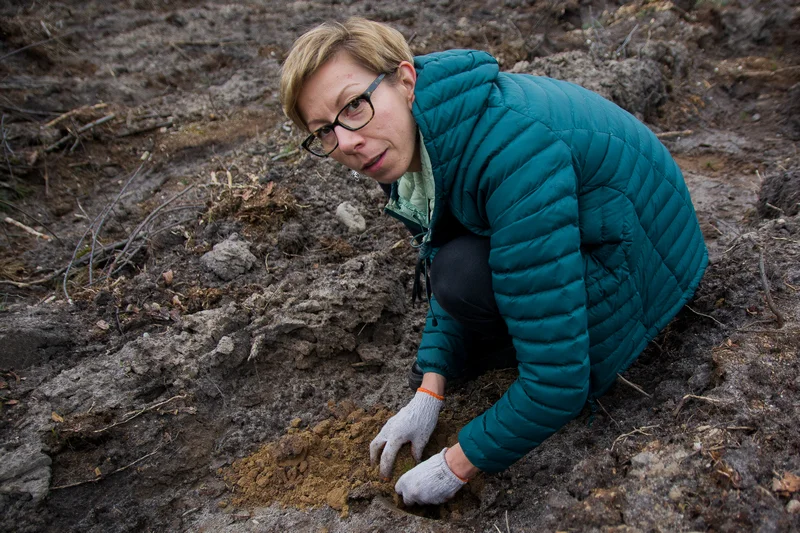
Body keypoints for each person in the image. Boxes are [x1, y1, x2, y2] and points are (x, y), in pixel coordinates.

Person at [279, 17, 708, 506]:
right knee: (458, 271)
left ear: (404, 79)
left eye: (354, 105)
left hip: (648, 262)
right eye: (324, 132)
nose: (348, 142)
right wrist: (430, 388)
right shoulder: (419, 137)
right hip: (596, 228)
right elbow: (451, 244)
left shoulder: (511, 151)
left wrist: (456, 463)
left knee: (477, 285)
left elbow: (559, 381)